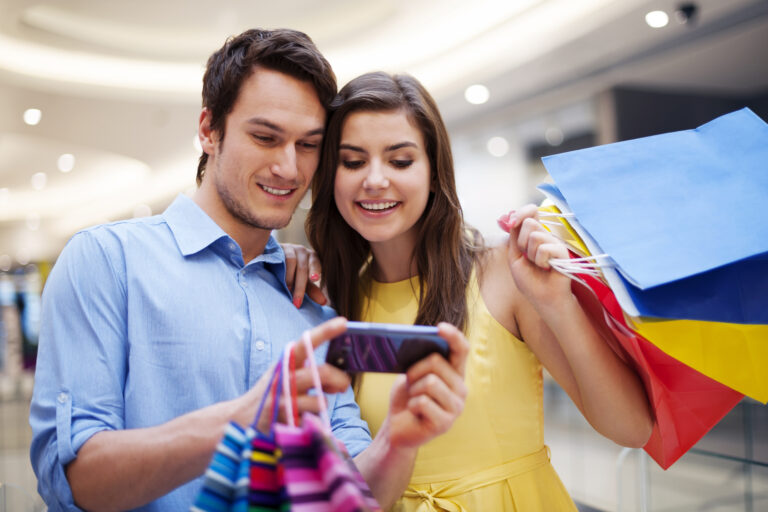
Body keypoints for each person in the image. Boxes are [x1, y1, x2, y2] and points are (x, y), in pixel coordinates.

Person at [29, 30, 469, 512]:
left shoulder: (311, 298)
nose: (289, 167)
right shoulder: (106, 261)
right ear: (208, 130)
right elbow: (73, 480)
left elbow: (351, 496)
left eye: (308, 145)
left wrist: (397, 442)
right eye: (265, 137)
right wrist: (240, 421)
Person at [305, 71, 654, 510]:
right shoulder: (333, 303)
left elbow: (631, 429)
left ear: (434, 172)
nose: (375, 180)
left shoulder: (502, 274)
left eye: (400, 160)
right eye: (353, 161)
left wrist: (557, 303)